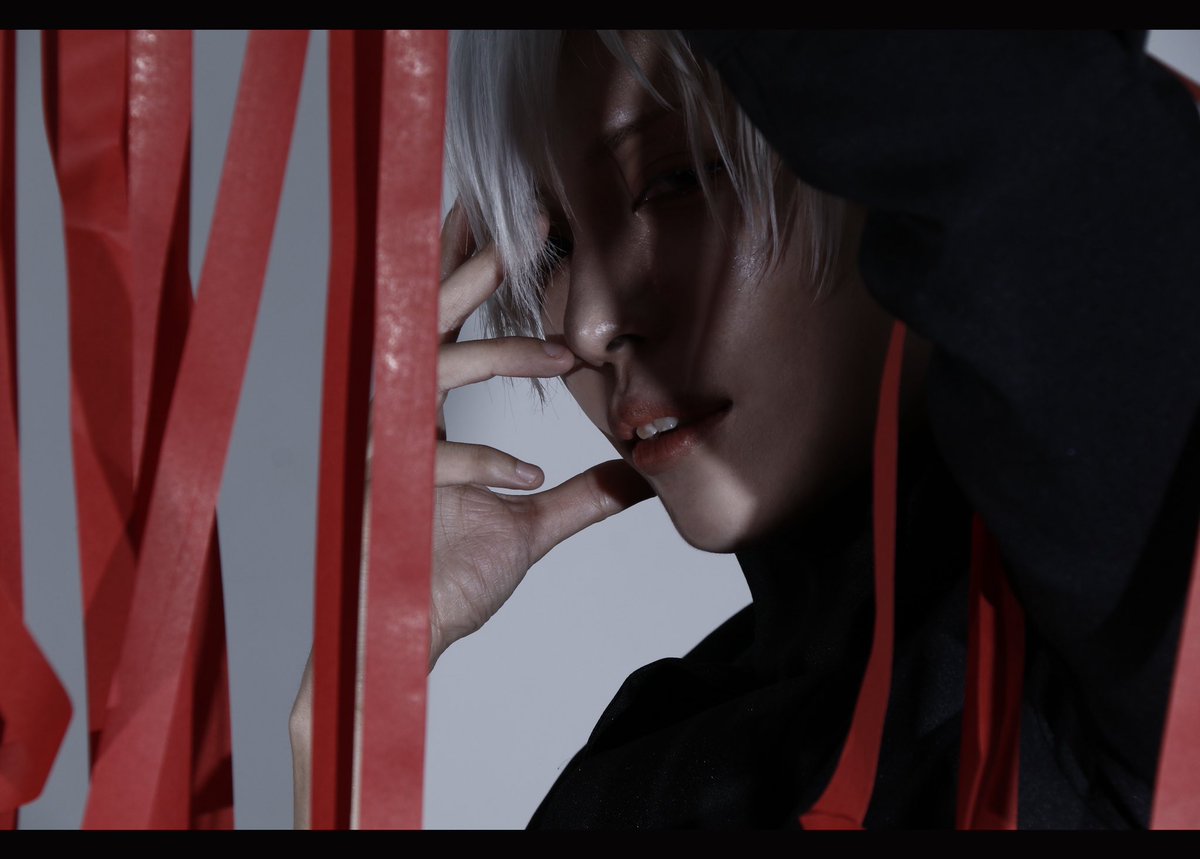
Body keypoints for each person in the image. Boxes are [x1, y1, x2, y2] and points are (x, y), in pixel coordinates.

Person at [292, 30, 1200, 828]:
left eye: (677, 180)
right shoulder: (635, 775)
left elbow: (1041, 136)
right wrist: (353, 717)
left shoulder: (1123, 632)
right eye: (556, 248)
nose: (588, 324)